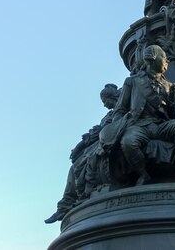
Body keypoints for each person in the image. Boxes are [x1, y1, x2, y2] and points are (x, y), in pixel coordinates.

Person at [113, 45, 175, 185]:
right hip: (139, 125)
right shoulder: (132, 81)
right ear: (153, 58)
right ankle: (143, 174)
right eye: (164, 58)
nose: (167, 62)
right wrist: (120, 127)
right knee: (128, 141)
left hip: (159, 125)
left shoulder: (168, 85)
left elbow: (172, 115)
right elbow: (120, 109)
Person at [44, 83, 120, 224]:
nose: (104, 105)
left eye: (105, 101)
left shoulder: (122, 108)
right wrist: (80, 145)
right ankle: (65, 204)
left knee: (87, 161)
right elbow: (97, 130)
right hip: (102, 140)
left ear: (112, 97)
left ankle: (84, 195)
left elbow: (107, 128)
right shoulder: (109, 114)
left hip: (112, 139)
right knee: (74, 167)